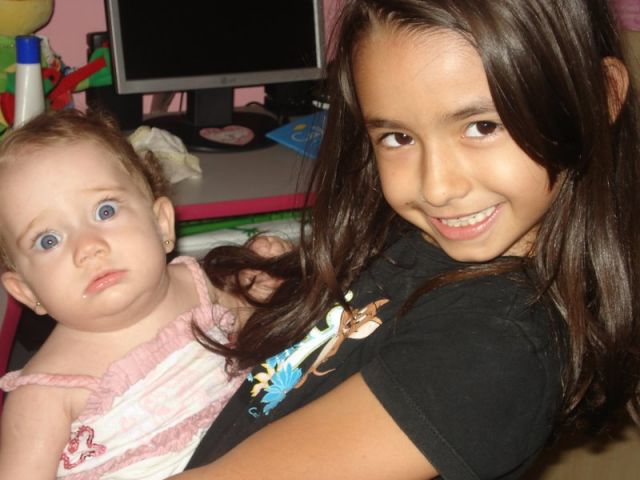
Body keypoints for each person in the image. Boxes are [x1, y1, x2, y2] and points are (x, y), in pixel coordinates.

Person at [171, 0, 640, 479]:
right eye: (398, 137)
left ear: (600, 96)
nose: (435, 187)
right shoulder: (420, 242)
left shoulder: (489, 352)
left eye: (482, 127)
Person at [0, 109, 286, 479]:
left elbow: (251, 324)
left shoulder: (197, 285)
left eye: (105, 211)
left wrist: (259, 284)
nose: (88, 247)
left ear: (161, 224)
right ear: (26, 290)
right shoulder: (43, 395)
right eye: (48, 240)